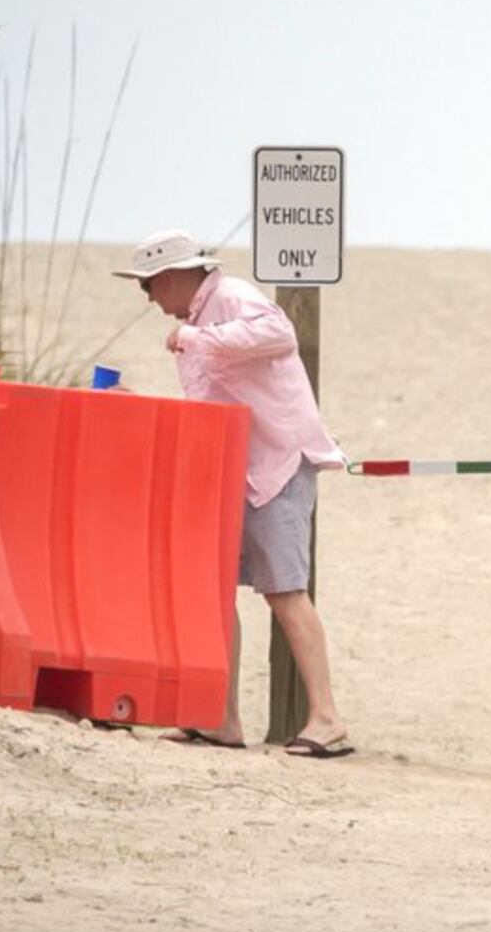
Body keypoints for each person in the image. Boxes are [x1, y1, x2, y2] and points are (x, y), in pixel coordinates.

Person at [117, 228, 352, 757]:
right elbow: (210, 401)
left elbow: (278, 333)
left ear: (172, 277)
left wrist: (200, 339)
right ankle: (222, 720)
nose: (149, 299)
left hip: (277, 465)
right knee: (217, 590)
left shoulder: (232, 297)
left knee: (285, 592)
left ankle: (327, 718)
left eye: (148, 286)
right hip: (235, 470)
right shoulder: (199, 317)